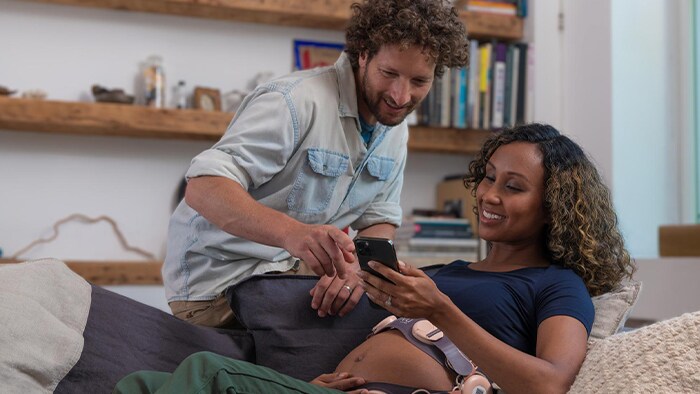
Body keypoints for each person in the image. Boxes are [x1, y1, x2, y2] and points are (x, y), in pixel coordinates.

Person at [117, 123, 636, 393]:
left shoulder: (556, 284)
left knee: (210, 373)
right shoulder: (447, 273)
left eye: (514, 187)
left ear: (553, 208)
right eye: (489, 177)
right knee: (141, 384)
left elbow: (550, 384)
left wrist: (440, 312)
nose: (488, 195)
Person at [162, 0, 470, 328]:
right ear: (363, 54)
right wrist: (293, 234)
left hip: (287, 273)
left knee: (404, 327)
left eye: (419, 82)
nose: (401, 95)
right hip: (217, 284)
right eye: (389, 73)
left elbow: (378, 218)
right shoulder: (295, 101)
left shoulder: (396, 127)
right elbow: (203, 187)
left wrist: (356, 272)